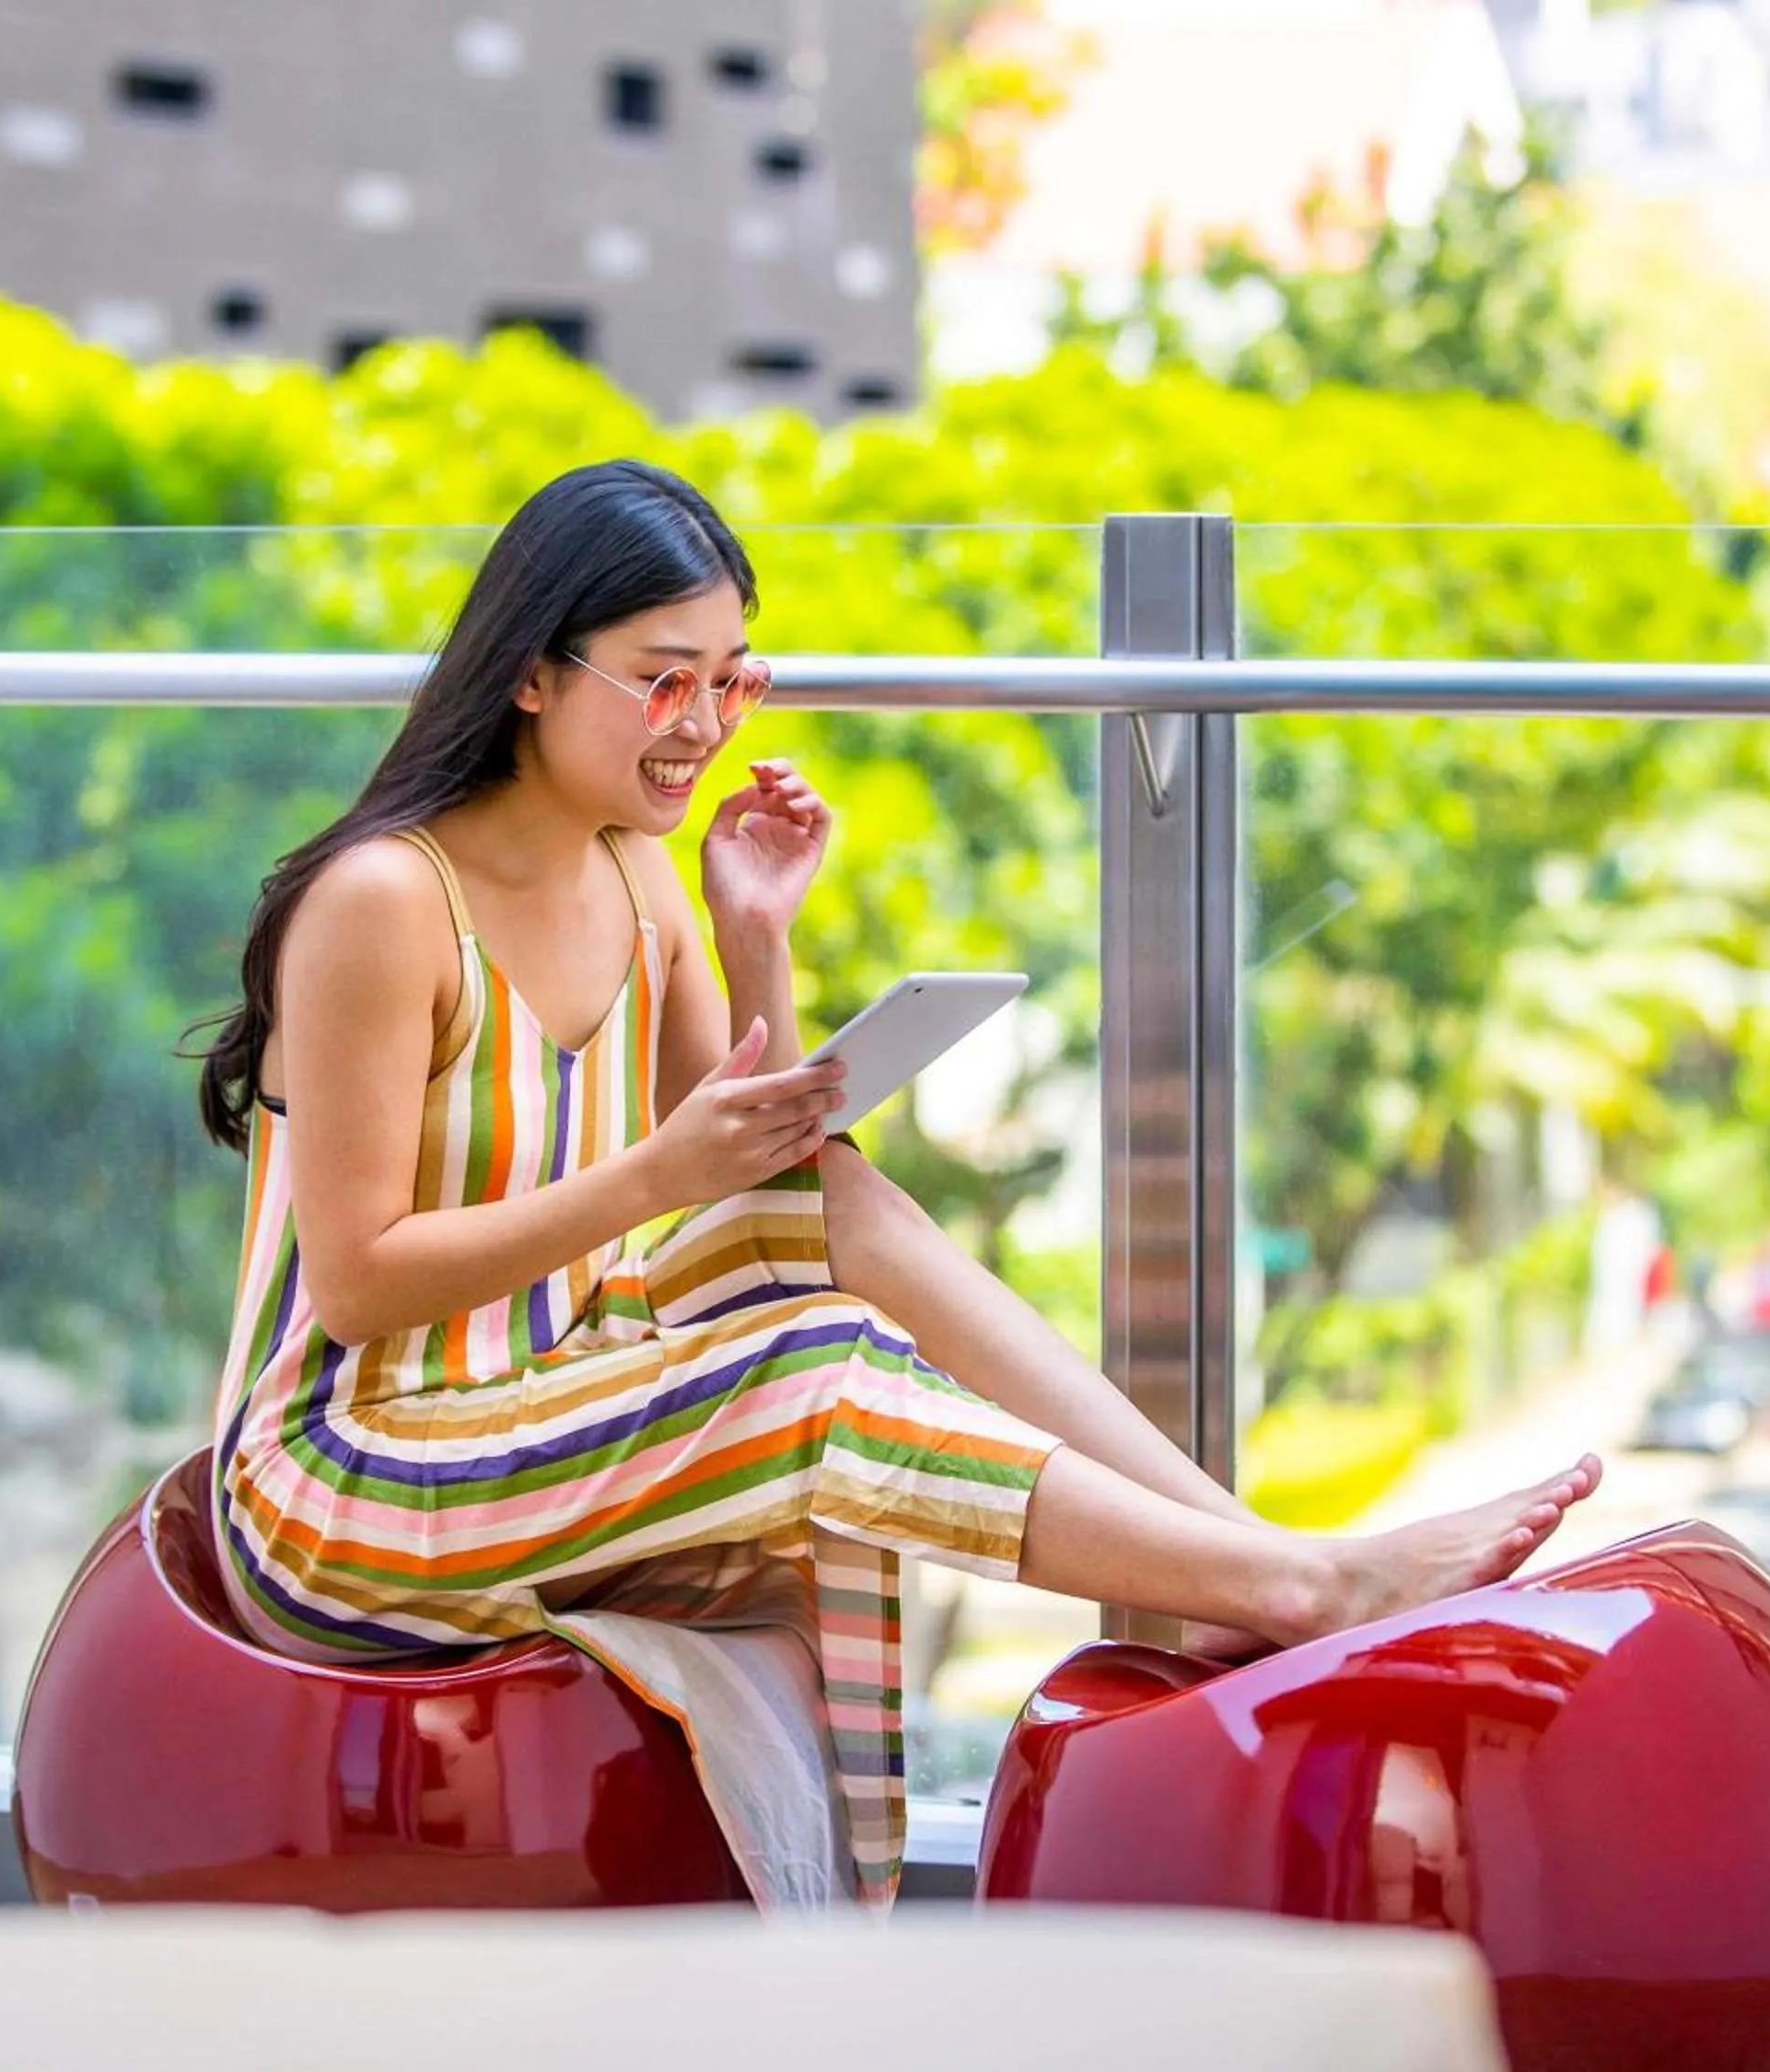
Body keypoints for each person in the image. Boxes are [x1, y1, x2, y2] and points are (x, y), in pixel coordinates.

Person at [191, 460, 1600, 1905]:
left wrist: (757, 937)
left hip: (541, 1377)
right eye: (665, 681)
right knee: (817, 1372)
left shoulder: (636, 878)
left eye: (734, 684)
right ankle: (1297, 1590)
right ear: (535, 675)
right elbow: (360, 1278)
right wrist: (654, 1176)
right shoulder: (381, 900)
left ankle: (1250, 1556)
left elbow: (765, 1168)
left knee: (838, 1205)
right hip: (350, 1475)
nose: (702, 728)